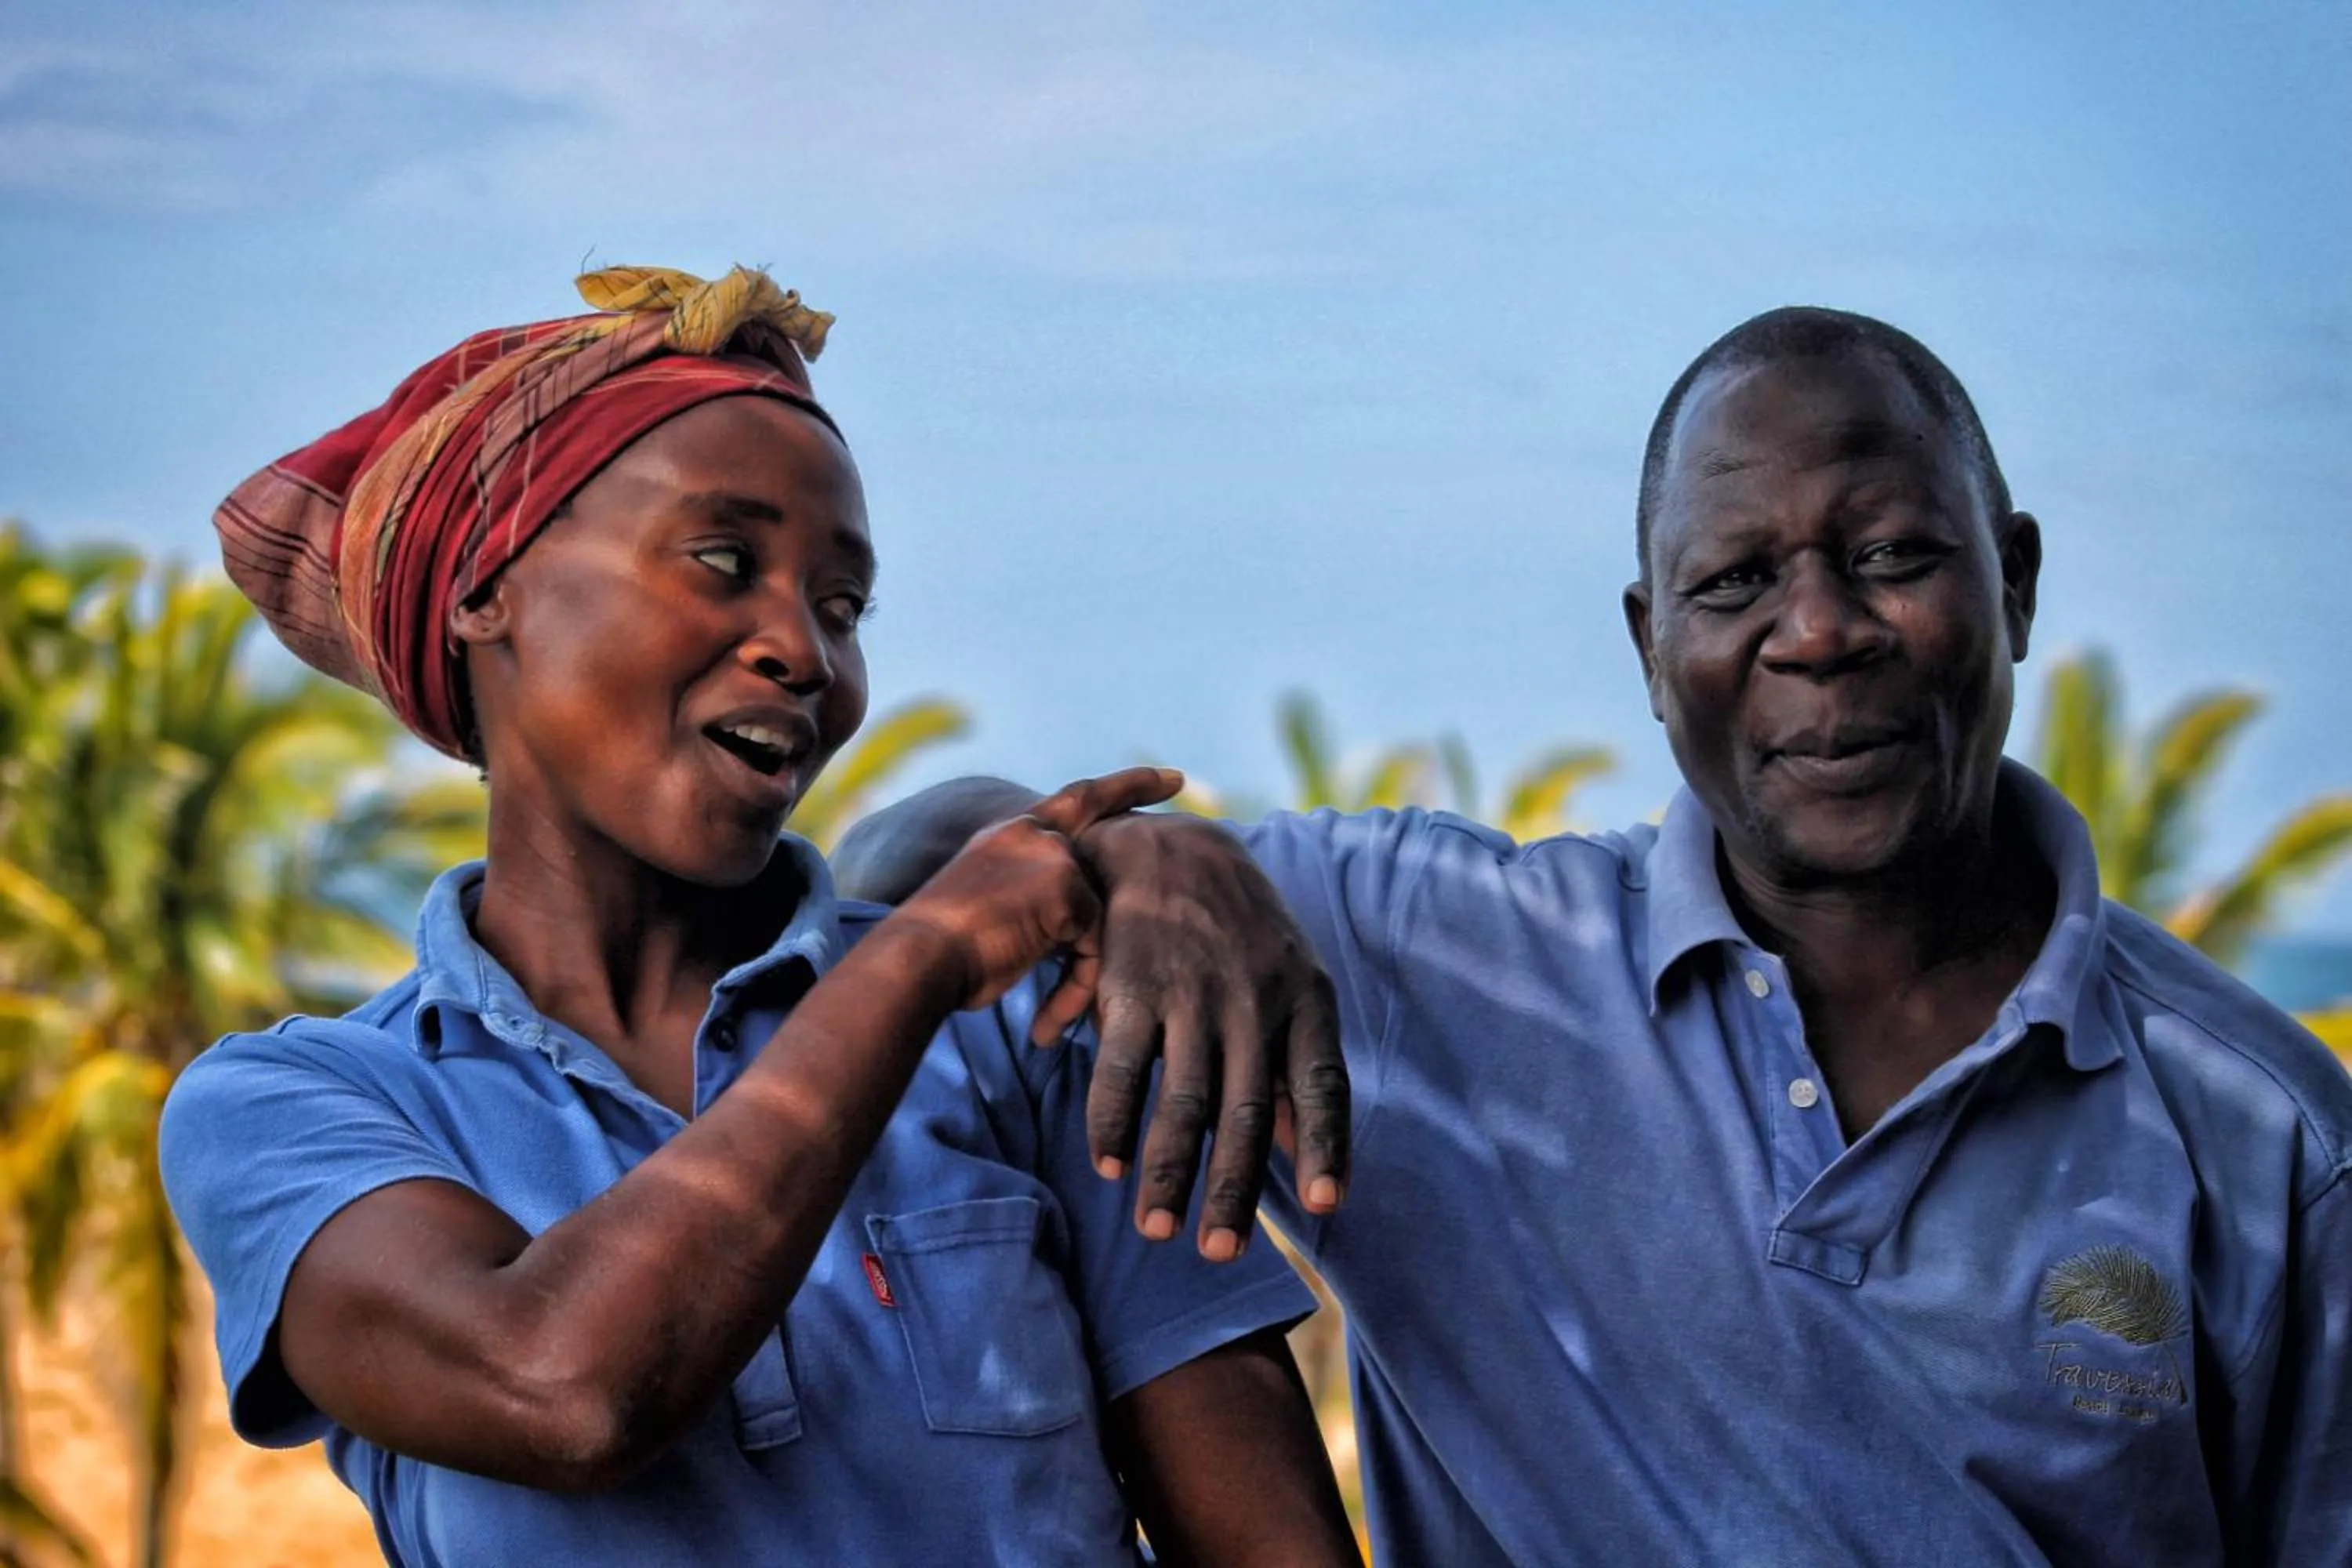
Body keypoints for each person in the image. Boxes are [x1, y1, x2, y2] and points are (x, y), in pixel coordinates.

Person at [837, 307, 2352, 1565]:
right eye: (1735, 581)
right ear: (1649, 644)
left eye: (1892, 557)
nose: (1818, 631)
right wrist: (1131, 859)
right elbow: (903, 858)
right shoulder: (1432, 957)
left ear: (2013, 583)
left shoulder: (2264, 1142)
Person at [159, 263, 1361, 1567]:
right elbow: (559, 1390)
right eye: (724, 561)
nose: (804, 648)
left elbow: (1268, 1542)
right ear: (484, 590)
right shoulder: (303, 1109)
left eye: (844, 607)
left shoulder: (1026, 1031)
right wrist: (920, 957)